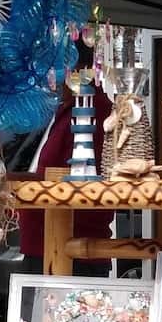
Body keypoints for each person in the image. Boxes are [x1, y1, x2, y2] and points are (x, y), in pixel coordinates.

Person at [17, 57, 112, 278]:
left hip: (71, 246)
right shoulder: (65, 109)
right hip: (44, 242)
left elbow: (83, 177)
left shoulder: (95, 110)